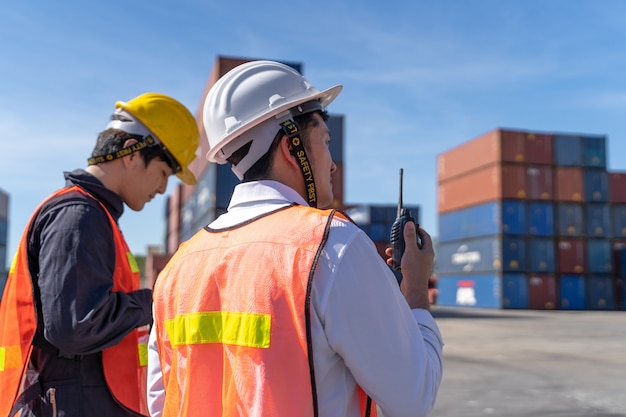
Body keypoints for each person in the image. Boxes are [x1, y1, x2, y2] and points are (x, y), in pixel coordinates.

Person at [149, 61, 443, 417]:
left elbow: (161, 402)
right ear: (292, 149)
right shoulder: (330, 246)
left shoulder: (177, 269)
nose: (332, 164)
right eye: (325, 141)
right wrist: (415, 289)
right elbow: (414, 398)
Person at [0, 93, 199, 417]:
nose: (163, 189)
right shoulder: (79, 216)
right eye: (164, 172)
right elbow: (75, 326)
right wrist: (155, 301)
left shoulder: (94, 216)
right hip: (75, 403)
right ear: (131, 153)